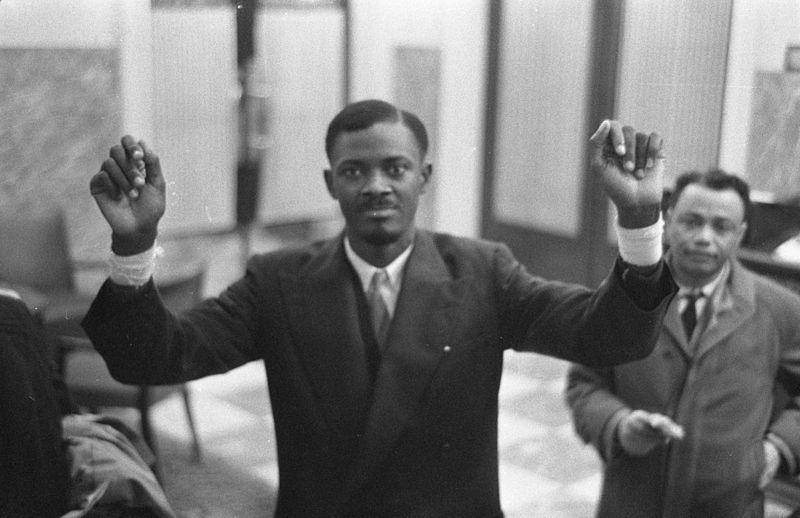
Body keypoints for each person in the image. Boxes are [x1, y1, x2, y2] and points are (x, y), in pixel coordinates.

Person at [83, 99, 676, 517]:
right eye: (354, 171)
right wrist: (134, 246)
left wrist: (640, 221)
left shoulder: (483, 272)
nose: (375, 186)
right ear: (329, 182)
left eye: (394, 168)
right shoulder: (279, 281)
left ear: (425, 177)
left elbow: (609, 339)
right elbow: (157, 357)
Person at [566, 169, 800, 518]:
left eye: (721, 227)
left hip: (728, 508)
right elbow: (584, 385)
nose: (704, 237)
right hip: (632, 503)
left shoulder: (780, 309)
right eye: (692, 222)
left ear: (741, 235)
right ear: (669, 222)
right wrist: (619, 424)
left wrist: (778, 449)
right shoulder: (622, 298)